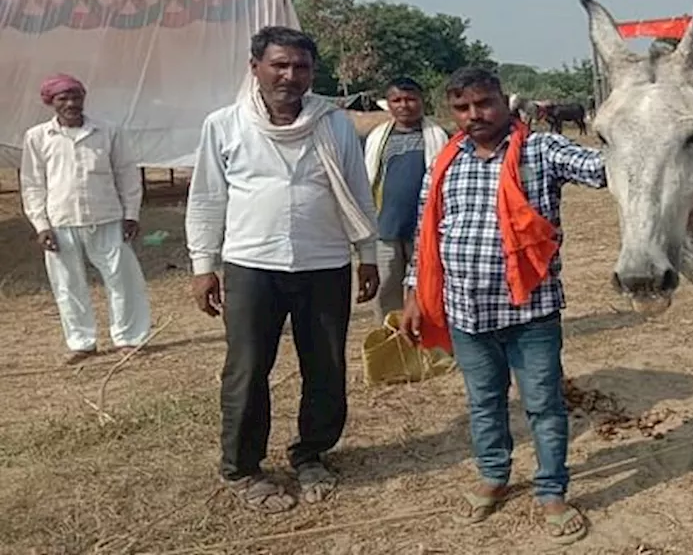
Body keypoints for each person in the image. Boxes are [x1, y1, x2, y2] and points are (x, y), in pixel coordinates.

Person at [400, 65, 606, 545]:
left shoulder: (541, 149)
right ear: (452, 112)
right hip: (466, 312)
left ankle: (551, 490)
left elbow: (602, 169)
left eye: (483, 104)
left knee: (544, 405)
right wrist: (414, 291)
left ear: (504, 101)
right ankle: (494, 475)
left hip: (529, 313)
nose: (474, 115)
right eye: (462, 108)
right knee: (484, 402)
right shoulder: (446, 160)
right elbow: (426, 232)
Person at [185, 25, 380, 514]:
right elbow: (207, 198)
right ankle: (242, 468)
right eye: (280, 65)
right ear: (256, 68)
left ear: (313, 73)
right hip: (252, 266)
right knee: (247, 370)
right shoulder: (224, 125)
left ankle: (311, 453)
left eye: (301, 67)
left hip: (325, 263)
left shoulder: (333, 124)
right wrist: (203, 265)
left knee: (326, 367)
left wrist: (368, 255)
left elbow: (358, 190)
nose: (290, 76)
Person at [19, 73, 152, 365]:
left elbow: (127, 174)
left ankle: (129, 338)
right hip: (60, 220)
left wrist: (131, 214)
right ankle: (81, 342)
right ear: (51, 103)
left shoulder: (107, 131)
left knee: (122, 279)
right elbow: (32, 184)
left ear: (84, 99)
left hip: (106, 217)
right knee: (68, 284)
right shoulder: (38, 137)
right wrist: (41, 225)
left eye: (75, 97)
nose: (70, 103)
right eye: (62, 99)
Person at [362, 77, 449, 320]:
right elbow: (366, 179)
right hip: (385, 228)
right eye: (397, 100)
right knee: (386, 286)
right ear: (388, 104)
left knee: (427, 286)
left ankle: (428, 343)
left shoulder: (440, 137)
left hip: (425, 228)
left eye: (411, 99)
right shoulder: (377, 138)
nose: (404, 105)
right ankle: (390, 340)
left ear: (422, 101)